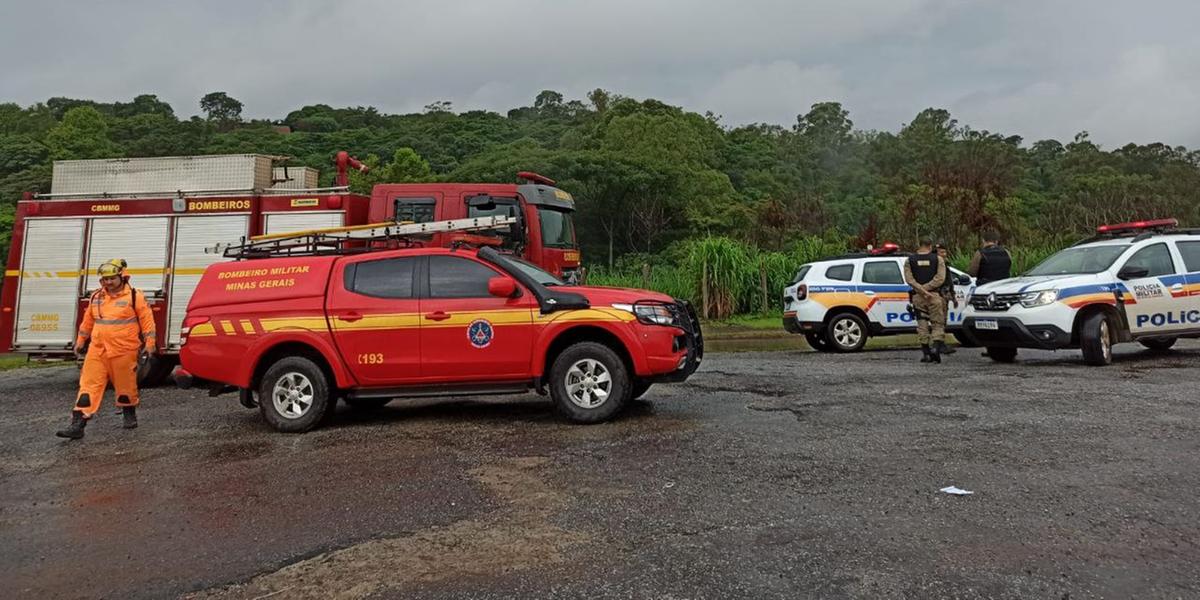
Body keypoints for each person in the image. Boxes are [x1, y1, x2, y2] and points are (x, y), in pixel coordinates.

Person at [56, 259, 156, 440]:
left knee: (126, 387)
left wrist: (150, 344)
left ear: (122, 277)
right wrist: (80, 341)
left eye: (111, 278)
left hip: (124, 350)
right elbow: (87, 322)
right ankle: (78, 424)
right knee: (88, 386)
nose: (107, 282)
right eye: (104, 279)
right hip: (98, 350)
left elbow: (147, 323)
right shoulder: (96, 297)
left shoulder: (135, 297)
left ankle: (129, 413)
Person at [904, 238, 947, 364]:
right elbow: (940, 278)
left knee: (922, 324)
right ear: (930, 246)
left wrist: (921, 290)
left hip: (918, 297)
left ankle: (926, 353)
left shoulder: (909, 260)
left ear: (920, 245)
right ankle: (936, 349)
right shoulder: (937, 259)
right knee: (937, 323)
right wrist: (927, 290)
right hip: (934, 296)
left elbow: (909, 279)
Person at [934, 243, 957, 355]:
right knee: (940, 321)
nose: (944, 254)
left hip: (945, 295)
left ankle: (940, 343)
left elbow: (950, 281)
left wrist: (953, 296)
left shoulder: (945, 265)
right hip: (939, 295)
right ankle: (939, 344)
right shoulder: (935, 265)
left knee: (943, 321)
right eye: (941, 252)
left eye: (945, 252)